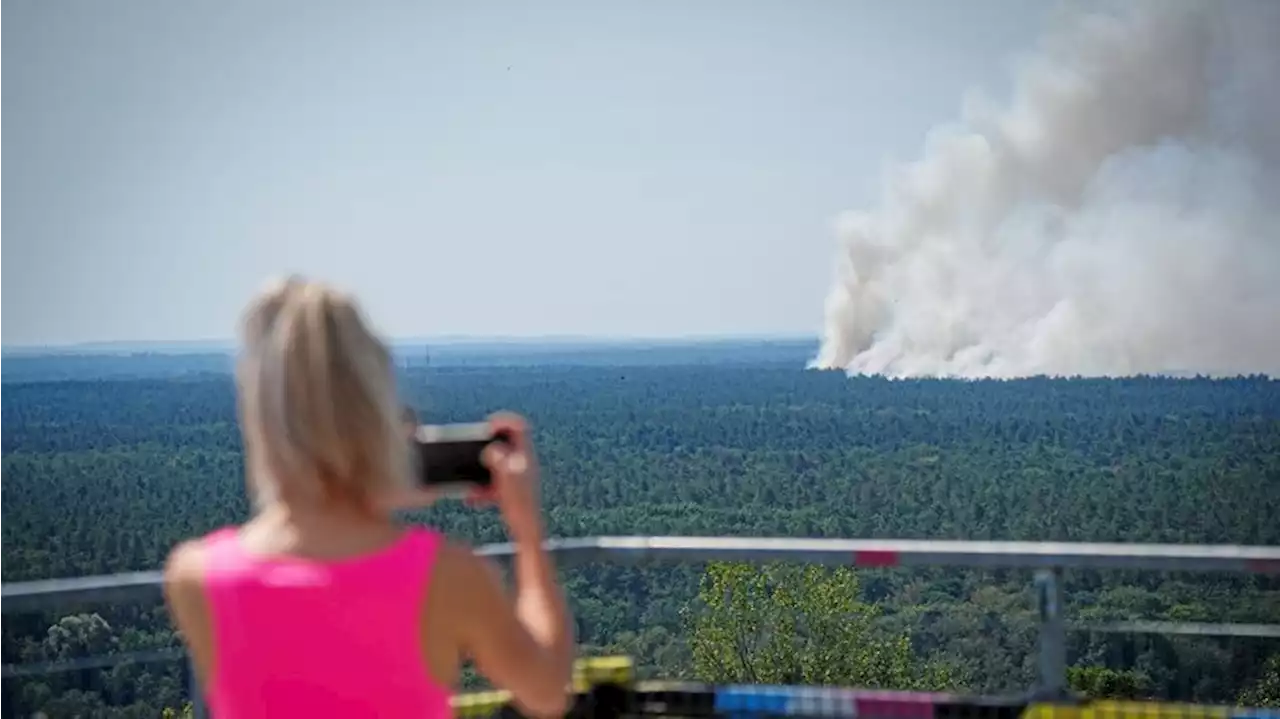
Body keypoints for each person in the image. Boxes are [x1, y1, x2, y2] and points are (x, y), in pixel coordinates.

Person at [162, 276, 575, 718]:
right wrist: (526, 525)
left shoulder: (197, 578)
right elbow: (547, 692)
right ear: (375, 406)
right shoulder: (449, 577)